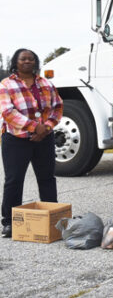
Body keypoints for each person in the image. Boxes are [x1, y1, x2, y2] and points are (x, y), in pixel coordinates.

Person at [0, 49, 62, 238]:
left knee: (47, 178)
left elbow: (57, 107)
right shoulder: (6, 84)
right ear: (16, 62)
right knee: (14, 180)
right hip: (16, 140)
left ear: (35, 62)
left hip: (44, 138)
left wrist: (47, 128)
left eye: (31, 58)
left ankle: (54, 219)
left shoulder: (46, 83)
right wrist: (35, 127)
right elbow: (8, 112)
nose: (27, 61)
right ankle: (9, 222)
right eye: (23, 59)